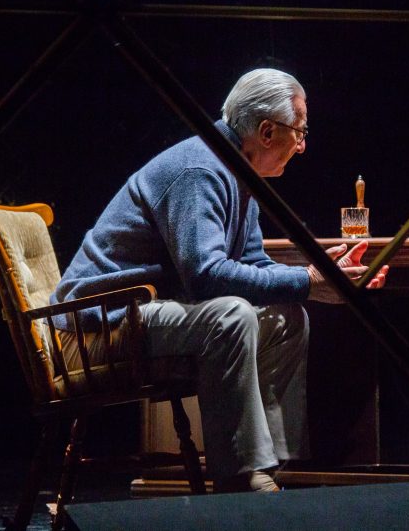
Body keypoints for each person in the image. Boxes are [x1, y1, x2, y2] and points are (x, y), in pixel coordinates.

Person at [51, 68, 388, 493]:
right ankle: (239, 477)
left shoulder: (238, 174)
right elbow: (206, 277)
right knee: (230, 316)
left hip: (138, 317)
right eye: (300, 132)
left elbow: (253, 263)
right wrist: (306, 279)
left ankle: (268, 465)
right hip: (99, 328)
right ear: (267, 131)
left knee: (286, 317)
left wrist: (320, 275)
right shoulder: (201, 169)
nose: (302, 146)